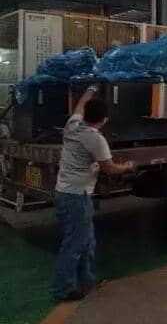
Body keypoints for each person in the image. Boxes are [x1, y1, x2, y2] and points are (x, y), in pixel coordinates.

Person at [53, 85, 135, 301]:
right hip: (76, 197)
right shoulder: (95, 139)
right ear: (104, 119)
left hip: (67, 193)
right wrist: (127, 166)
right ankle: (64, 289)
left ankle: (86, 279)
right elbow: (109, 168)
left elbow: (79, 107)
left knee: (87, 241)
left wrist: (90, 90)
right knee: (74, 244)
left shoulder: (72, 126)